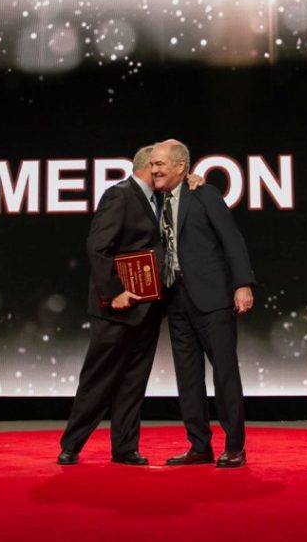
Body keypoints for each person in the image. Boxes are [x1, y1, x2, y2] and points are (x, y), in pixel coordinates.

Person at [57, 145, 166, 466]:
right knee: (100, 378)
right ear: (148, 166)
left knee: (134, 381)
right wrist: (113, 292)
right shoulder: (120, 195)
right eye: (158, 165)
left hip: (148, 306)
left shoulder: (161, 200)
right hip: (117, 307)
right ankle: (72, 445)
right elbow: (98, 246)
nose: (162, 171)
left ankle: (125, 448)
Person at [150, 139, 255, 468]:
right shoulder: (155, 201)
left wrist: (242, 284)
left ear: (181, 167)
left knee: (225, 374)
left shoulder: (204, 194)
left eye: (160, 165)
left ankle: (235, 447)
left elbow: (231, 239)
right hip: (176, 299)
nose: (154, 170)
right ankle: (199, 446)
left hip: (212, 299)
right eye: (152, 165)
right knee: (188, 377)